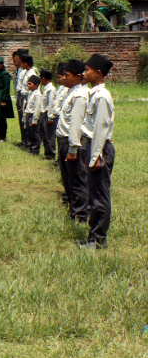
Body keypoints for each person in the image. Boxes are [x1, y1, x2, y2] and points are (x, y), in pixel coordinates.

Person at [77, 54, 114, 250]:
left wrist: (96, 155)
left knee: (100, 195)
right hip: (94, 145)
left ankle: (99, 240)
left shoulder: (101, 96)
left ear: (97, 73)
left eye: (87, 70)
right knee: (94, 194)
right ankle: (93, 236)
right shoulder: (94, 93)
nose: (84, 74)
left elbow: (100, 127)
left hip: (98, 147)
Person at [56, 59, 88, 222]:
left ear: (78, 76)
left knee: (77, 180)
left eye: (67, 75)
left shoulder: (80, 95)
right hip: (64, 141)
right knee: (68, 179)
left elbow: (76, 124)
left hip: (71, 143)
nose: (64, 78)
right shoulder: (70, 92)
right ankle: (73, 209)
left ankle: (81, 214)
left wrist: (73, 149)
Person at [38, 68, 57, 161]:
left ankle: (51, 153)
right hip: (43, 114)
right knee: (45, 135)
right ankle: (47, 153)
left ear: (44, 78)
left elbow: (51, 104)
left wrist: (50, 117)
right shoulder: (46, 88)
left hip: (47, 114)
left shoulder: (51, 89)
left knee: (49, 135)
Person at [23, 74, 43, 156]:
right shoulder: (31, 93)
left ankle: (35, 150)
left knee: (35, 134)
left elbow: (37, 108)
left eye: (30, 84)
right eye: (28, 84)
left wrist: (35, 119)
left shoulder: (38, 95)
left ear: (36, 85)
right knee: (30, 133)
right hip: (28, 115)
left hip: (32, 115)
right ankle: (31, 147)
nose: (28, 86)